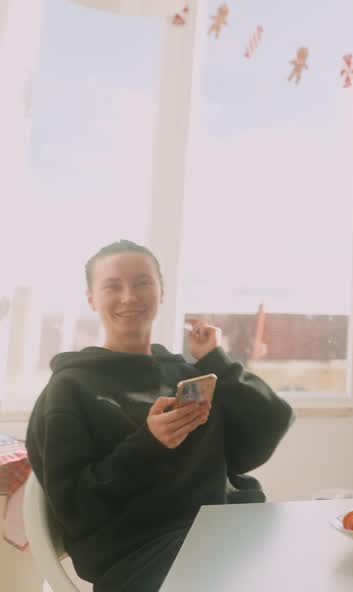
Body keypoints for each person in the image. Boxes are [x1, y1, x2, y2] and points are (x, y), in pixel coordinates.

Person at [26, 240, 295, 592]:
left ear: (162, 291)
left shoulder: (184, 372)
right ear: (92, 298)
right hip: (141, 557)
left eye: (142, 283)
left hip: (227, 530)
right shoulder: (69, 389)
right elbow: (76, 507)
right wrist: (148, 445)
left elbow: (265, 430)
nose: (129, 297)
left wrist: (216, 360)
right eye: (112, 286)